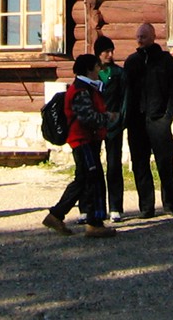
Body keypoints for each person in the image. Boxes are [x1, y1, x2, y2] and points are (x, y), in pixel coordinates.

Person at [42, 53, 122, 238]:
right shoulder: (81, 89)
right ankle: (91, 222)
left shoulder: (86, 87)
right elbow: (87, 117)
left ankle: (60, 216)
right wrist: (108, 117)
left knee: (85, 178)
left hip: (87, 140)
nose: (99, 70)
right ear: (89, 69)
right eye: (96, 67)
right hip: (82, 140)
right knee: (90, 178)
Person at [123, 22, 173, 218]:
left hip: (159, 121)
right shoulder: (132, 62)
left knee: (165, 164)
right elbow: (126, 92)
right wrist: (128, 119)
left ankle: (171, 205)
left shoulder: (165, 61)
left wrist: (168, 117)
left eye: (143, 36)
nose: (140, 40)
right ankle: (146, 207)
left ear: (153, 36)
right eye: (138, 37)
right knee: (140, 165)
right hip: (137, 122)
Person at [93, 35, 130, 223]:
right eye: (106, 51)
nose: (110, 54)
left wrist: (121, 120)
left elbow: (125, 99)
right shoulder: (93, 74)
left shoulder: (119, 73)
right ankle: (94, 207)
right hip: (95, 125)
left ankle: (116, 207)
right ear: (98, 53)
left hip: (114, 125)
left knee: (114, 165)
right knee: (93, 167)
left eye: (111, 50)